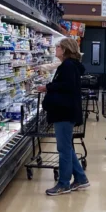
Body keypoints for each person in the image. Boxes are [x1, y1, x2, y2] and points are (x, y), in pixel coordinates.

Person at [37, 38, 89, 196]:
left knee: (64, 149)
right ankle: (81, 178)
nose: (55, 48)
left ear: (65, 49)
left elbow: (67, 86)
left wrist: (47, 87)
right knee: (66, 147)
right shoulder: (69, 65)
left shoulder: (67, 66)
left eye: (58, 46)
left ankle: (64, 184)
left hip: (64, 112)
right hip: (66, 111)